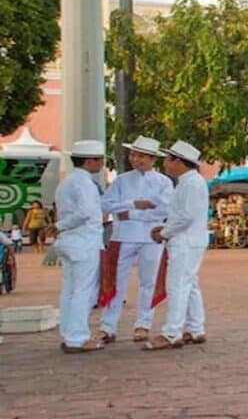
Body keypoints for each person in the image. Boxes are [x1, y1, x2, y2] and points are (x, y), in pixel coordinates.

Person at [97, 136, 173, 344]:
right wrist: (133, 203)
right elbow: (105, 204)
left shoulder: (163, 182)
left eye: (141, 156)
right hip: (123, 236)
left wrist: (131, 213)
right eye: (133, 155)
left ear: (152, 159)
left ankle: (143, 324)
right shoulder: (122, 180)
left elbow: (164, 210)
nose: (135, 159)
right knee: (116, 281)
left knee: (148, 281)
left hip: (151, 236)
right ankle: (107, 326)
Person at [144, 141, 209, 350]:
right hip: (189, 239)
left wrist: (164, 232)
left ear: (178, 161)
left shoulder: (190, 184)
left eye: (167, 159)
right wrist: (166, 228)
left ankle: (172, 332)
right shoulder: (190, 182)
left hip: (185, 241)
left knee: (178, 285)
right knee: (189, 284)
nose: (164, 163)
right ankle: (196, 328)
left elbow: (186, 217)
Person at [50, 140, 107, 353]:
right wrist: (59, 226)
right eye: (100, 160)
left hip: (69, 242)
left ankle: (69, 333)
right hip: (84, 241)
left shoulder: (67, 181)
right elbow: (85, 212)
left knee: (70, 291)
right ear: (89, 161)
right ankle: (77, 338)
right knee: (84, 291)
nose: (102, 164)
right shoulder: (84, 183)